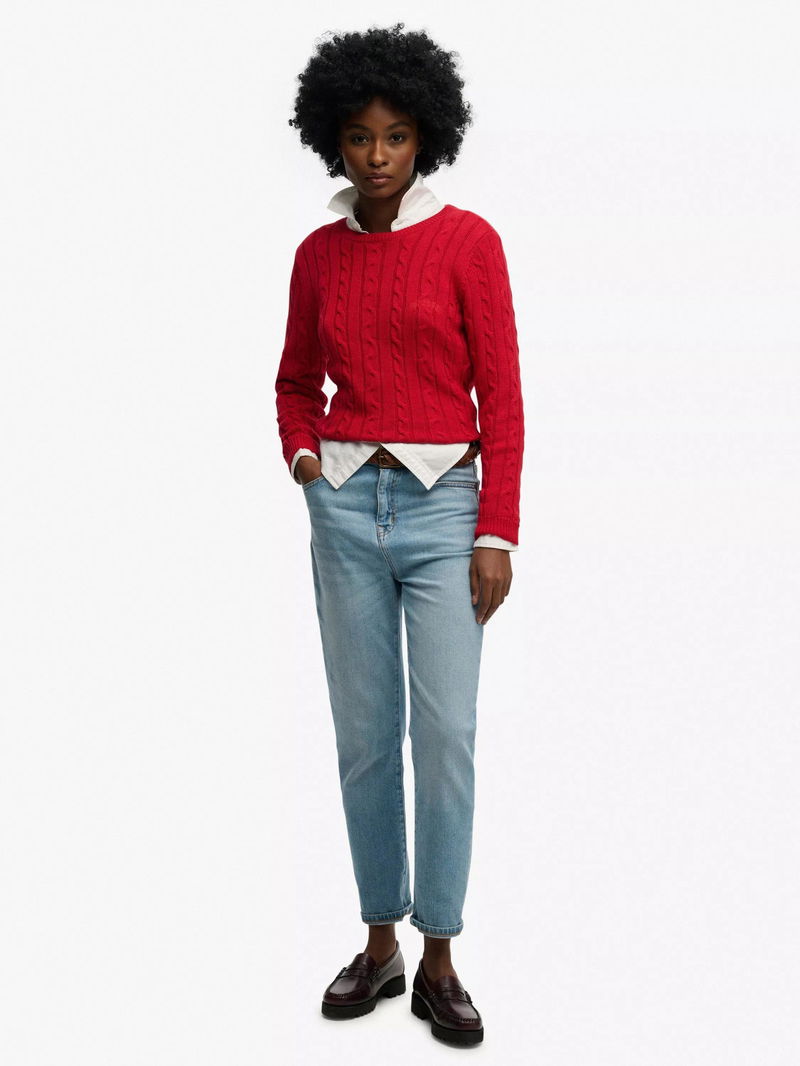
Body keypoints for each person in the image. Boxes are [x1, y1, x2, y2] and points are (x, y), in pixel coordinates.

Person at [275, 22, 524, 1047]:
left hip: (445, 509)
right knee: (365, 738)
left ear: (426, 136)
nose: (376, 155)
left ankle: (440, 955)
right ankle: (379, 941)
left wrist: (496, 531)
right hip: (343, 507)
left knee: (447, 737)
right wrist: (303, 458)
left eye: (396, 136)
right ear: (332, 139)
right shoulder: (316, 255)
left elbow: (501, 396)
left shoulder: (469, 243)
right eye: (358, 136)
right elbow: (295, 381)